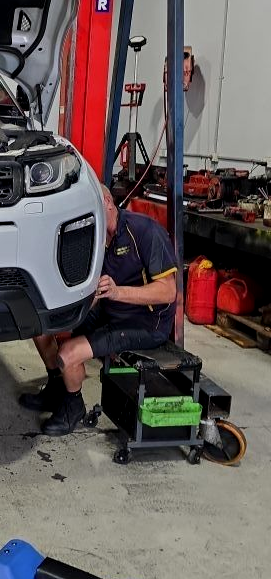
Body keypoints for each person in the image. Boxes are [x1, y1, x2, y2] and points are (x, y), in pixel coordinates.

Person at [20, 186, 178, 436]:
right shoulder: (96, 238)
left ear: (106, 201)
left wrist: (117, 293)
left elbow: (168, 292)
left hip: (145, 323)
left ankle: (73, 407)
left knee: (68, 354)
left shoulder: (144, 231)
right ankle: (57, 389)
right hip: (109, 309)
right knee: (39, 328)